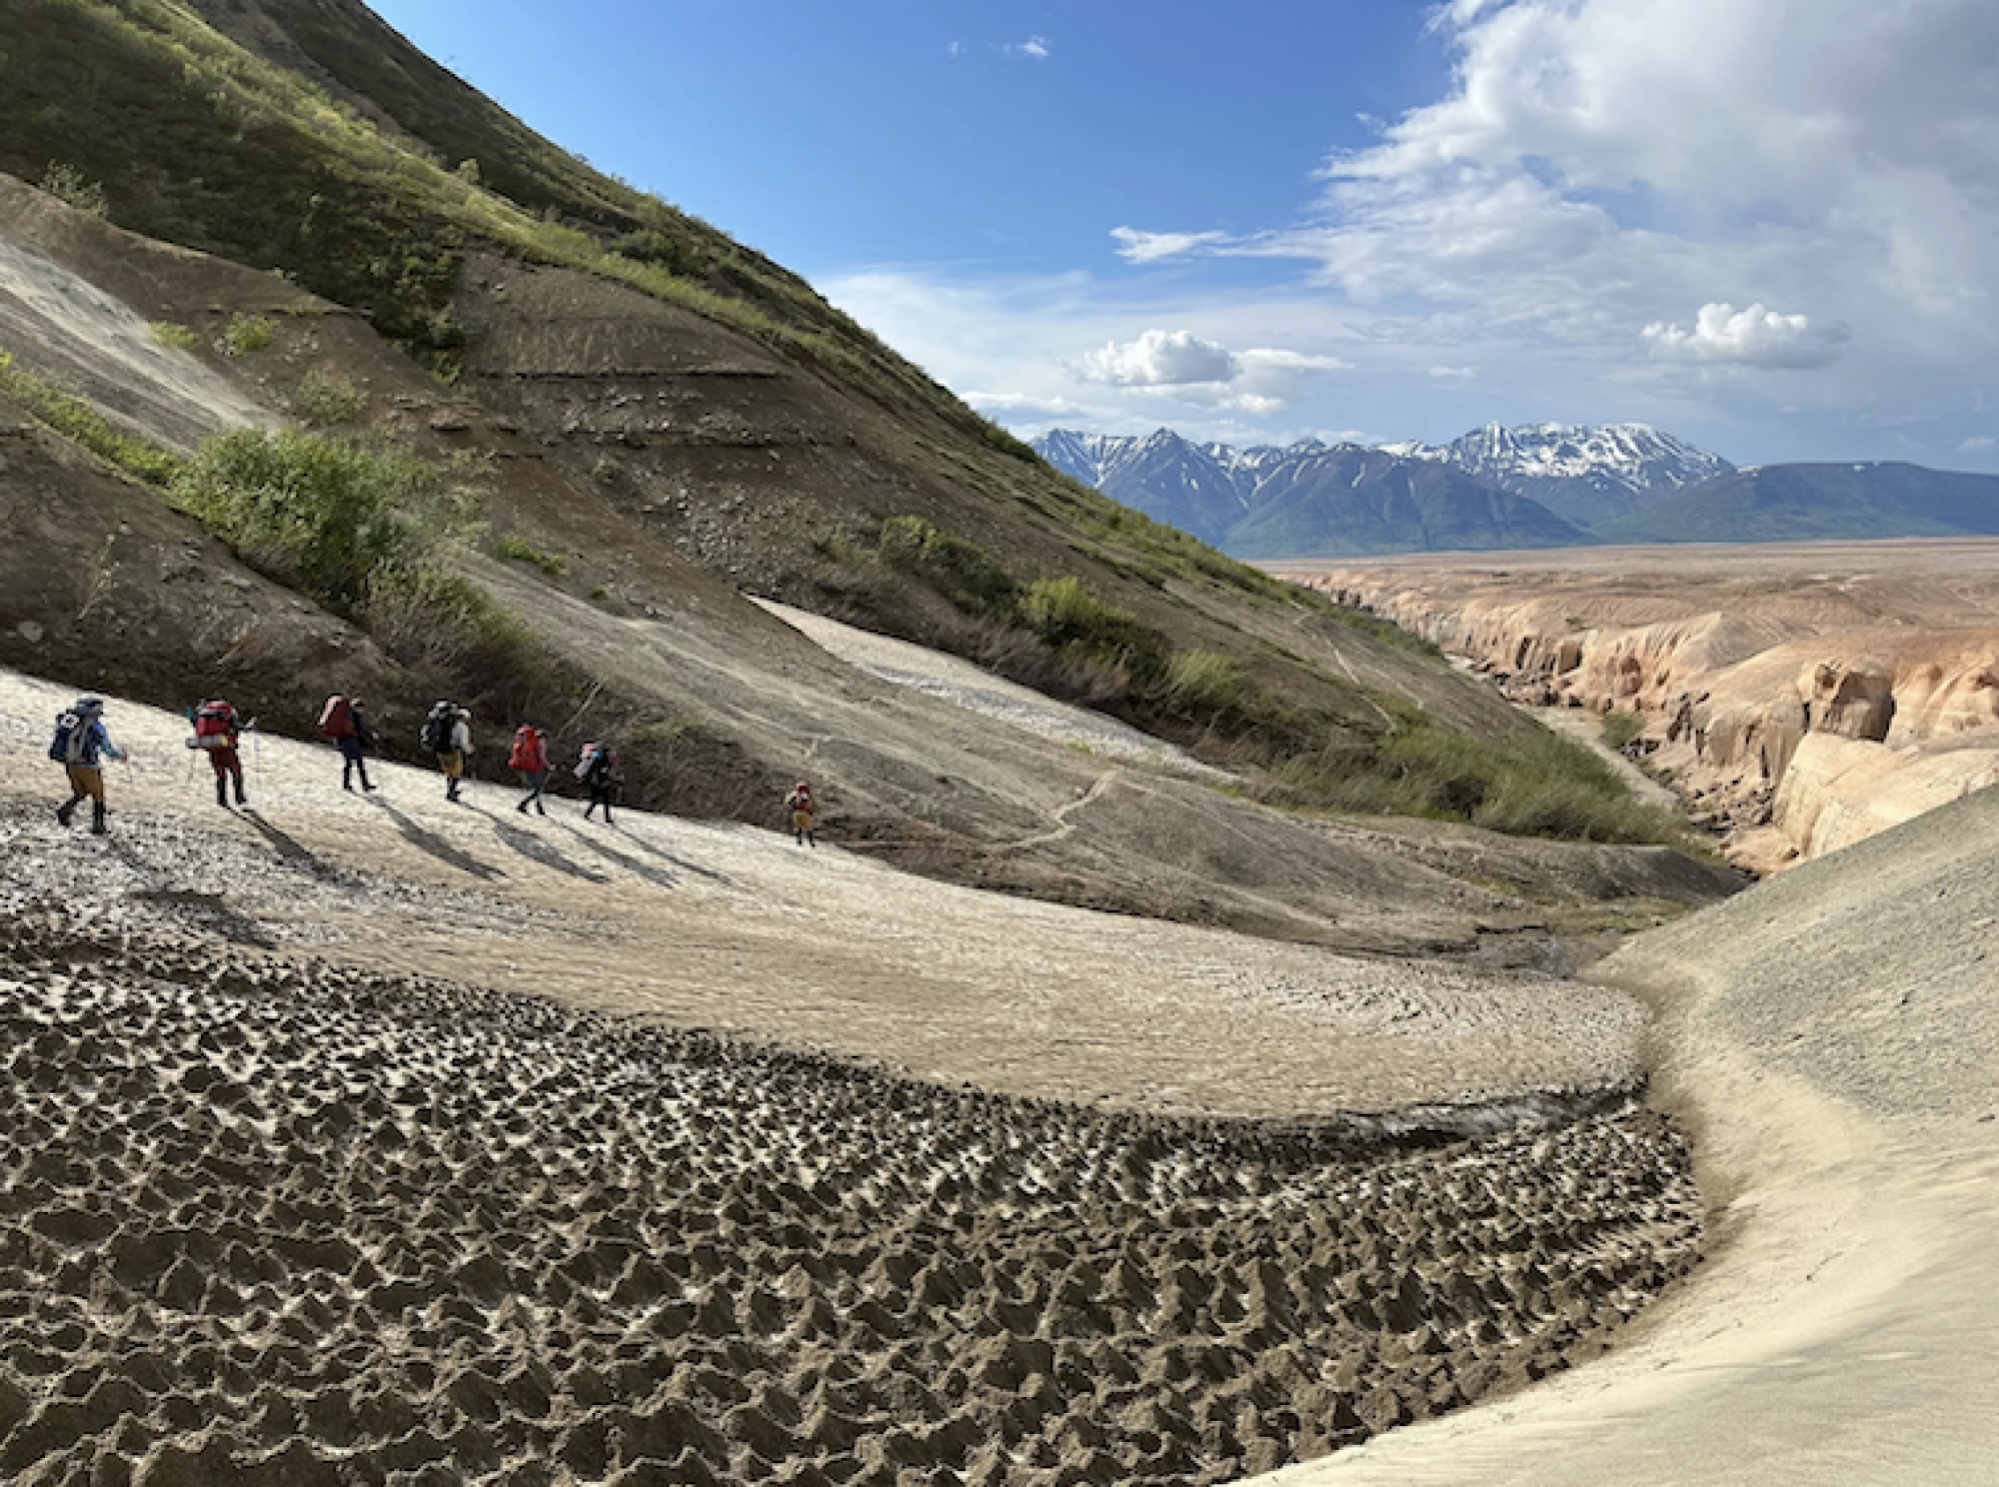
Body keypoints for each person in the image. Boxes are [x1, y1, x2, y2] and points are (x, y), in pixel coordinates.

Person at [50, 695, 128, 835]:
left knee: (80, 792)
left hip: (70, 764)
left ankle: (65, 811)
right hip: (89, 766)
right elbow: (107, 748)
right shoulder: (96, 727)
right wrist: (120, 755)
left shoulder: (69, 721)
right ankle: (98, 825)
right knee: (98, 795)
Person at [192, 698, 248, 808]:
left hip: (212, 748)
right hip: (226, 748)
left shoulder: (205, 715)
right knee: (236, 771)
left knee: (220, 773)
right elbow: (236, 730)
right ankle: (239, 798)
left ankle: (221, 799)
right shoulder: (227, 715)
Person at [319, 693, 377, 793]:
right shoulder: (355, 715)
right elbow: (360, 730)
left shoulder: (346, 715)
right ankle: (365, 785)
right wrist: (371, 735)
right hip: (350, 741)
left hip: (341, 739)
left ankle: (347, 784)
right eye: (362, 709)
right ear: (358, 708)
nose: (362, 711)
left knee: (348, 763)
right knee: (359, 763)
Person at [423, 700, 472, 802]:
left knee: (448, 771)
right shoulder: (463, 727)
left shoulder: (446, 722)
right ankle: (451, 792)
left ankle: (450, 790)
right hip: (452, 750)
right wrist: (469, 750)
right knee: (456, 772)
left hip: (440, 749)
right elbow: (464, 743)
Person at [508, 722, 551, 815]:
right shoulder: (541, 743)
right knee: (537, 789)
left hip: (525, 764)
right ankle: (522, 805)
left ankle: (540, 809)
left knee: (536, 787)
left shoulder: (530, 741)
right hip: (533, 766)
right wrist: (549, 766)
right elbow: (541, 757)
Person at [576, 740, 618, 823]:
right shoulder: (601, 760)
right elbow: (595, 771)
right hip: (597, 783)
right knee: (597, 800)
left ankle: (605, 817)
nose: (612, 753)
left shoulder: (606, 760)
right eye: (610, 752)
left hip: (602, 782)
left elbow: (606, 772)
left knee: (604, 800)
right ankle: (589, 814)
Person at [786, 780, 817, 848]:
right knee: (808, 828)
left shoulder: (795, 793)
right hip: (806, 813)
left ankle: (799, 841)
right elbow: (813, 803)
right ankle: (811, 843)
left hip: (797, 812)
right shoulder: (808, 794)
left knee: (798, 827)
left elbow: (788, 801)